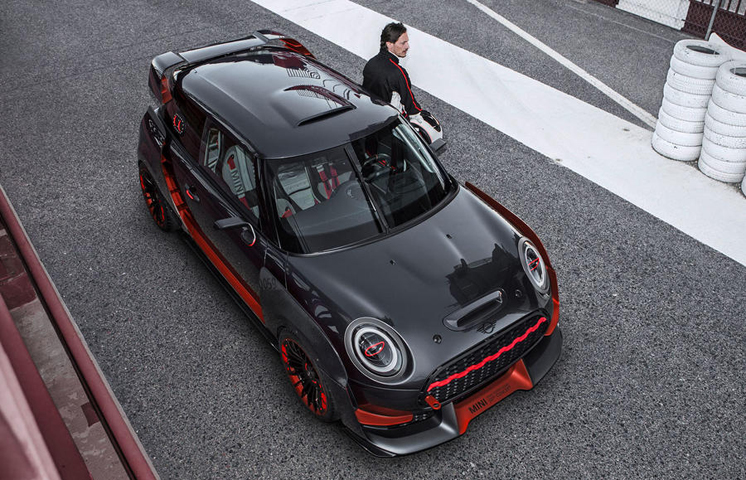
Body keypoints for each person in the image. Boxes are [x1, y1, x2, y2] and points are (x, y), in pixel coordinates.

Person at [363, 22, 423, 118]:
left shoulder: (370, 63)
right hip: (390, 118)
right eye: (403, 43)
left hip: (369, 113)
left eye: (407, 42)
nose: (407, 46)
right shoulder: (398, 73)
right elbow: (412, 107)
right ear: (389, 44)